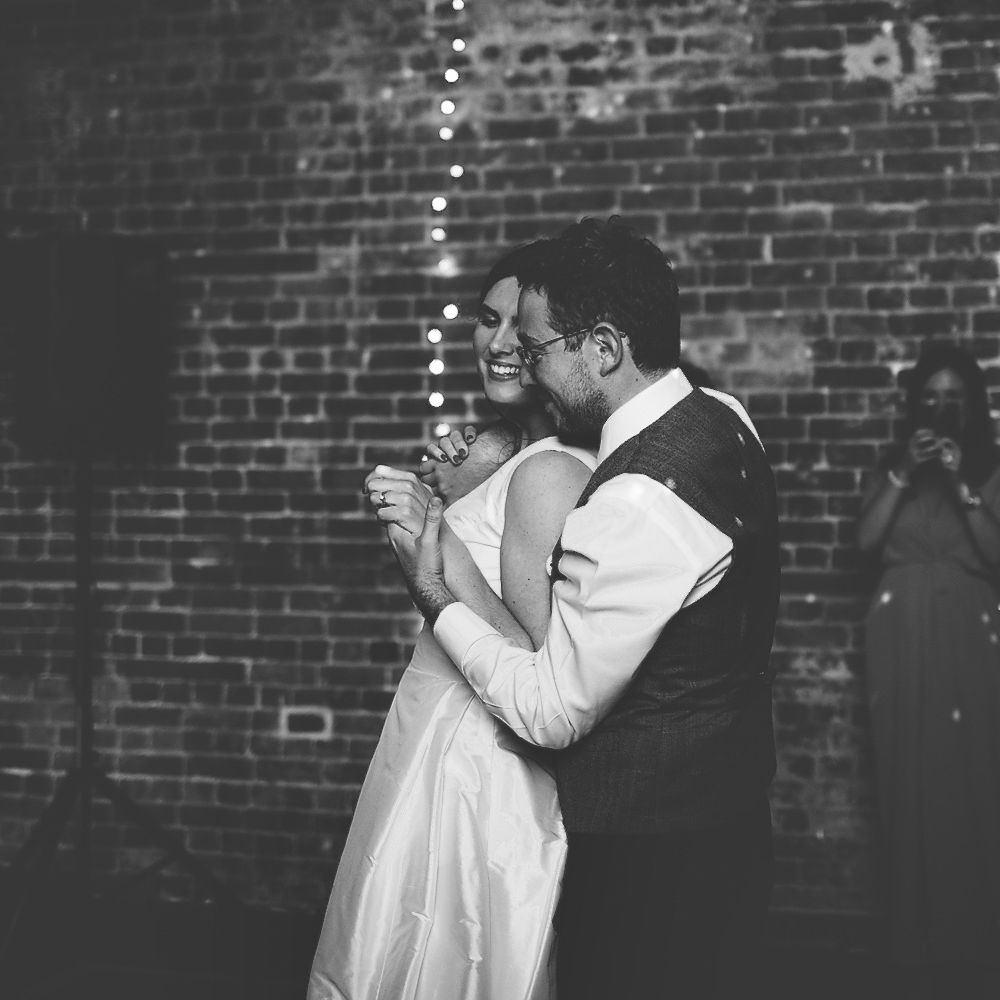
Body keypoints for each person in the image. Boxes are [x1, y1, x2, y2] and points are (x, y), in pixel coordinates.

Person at [380, 217, 780, 999]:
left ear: (602, 348)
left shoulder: (633, 500)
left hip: (649, 863)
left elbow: (551, 711)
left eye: (538, 350)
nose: (527, 367)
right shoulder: (724, 415)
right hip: (730, 819)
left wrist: (433, 587)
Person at [307, 242, 596, 1000]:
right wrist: (469, 478)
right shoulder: (507, 453)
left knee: (458, 954)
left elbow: (541, 668)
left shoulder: (552, 472)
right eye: (486, 319)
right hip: (437, 730)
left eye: (522, 326)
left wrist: (435, 540)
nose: (499, 342)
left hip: (488, 764)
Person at [857, 342, 1000, 992]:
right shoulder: (894, 469)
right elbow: (865, 543)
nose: (942, 410)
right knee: (907, 774)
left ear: (973, 407)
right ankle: (916, 942)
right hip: (900, 637)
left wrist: (964, 485)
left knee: (975, 775)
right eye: (931, 398)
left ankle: (979, 938)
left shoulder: (990, 469)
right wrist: (904, 474)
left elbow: (995, 555)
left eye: (954, 399)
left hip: (970, 637)